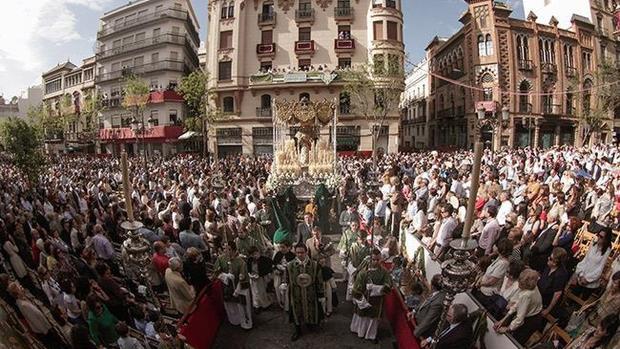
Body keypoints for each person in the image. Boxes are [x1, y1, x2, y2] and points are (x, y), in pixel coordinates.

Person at [350, 248, 392, 342]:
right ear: (370, 259)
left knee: (372, 319)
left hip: (376, 301)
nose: (376, 262)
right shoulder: (363, 273)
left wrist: (376, 288)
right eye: (374, 260)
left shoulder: (384, 272)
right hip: (364, 299)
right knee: (363, 317)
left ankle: (371, 335)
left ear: (380, 258)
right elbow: (356, 289)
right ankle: (360, 331)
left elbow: (388, 285)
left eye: (378, 259)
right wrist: (362, 297)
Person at [8, 282, 66, 348]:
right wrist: (46, 331)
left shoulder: (23, 299)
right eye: (19, 287)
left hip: (45, 329)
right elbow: (35, 321)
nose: (21, 287)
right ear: (17, 293)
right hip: (44, 332)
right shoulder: (23, 305)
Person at [286, 243, 324, 341]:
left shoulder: (314, 265)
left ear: (306, 252)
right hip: (295, 294)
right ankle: (297, 330)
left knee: (311, 309)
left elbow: (319, 280)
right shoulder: (289, 265)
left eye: (302, 252)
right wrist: (284, 285)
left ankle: (310, 324)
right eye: (297, 252)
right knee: (296, 310)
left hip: (311, 293)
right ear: (295, 252)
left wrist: (321, 294)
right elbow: (286, 278)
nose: (300, 255)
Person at [494, 268, 543, 345]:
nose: (519, 285)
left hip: (532, 320)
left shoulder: (527, 294)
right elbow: (517, 304)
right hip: (530, 313)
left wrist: (508, 328)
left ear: (527, 285)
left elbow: (520, 318)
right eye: (519, 282)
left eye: (521, 284)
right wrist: (503, 320)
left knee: (516, 340)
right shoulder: (529, 286)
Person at [213, 241, 252, 330]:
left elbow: (244, 277)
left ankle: (244, 322)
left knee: (241, 307)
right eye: (224, 249)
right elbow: (216, 271)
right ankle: (234, 320)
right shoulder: (221, 259)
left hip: (238, 289)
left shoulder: (240, 262)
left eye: (229, 249)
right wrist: (224, 276)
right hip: (227, 288)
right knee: (230, 306)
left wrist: (238, 289)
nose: (226, 251)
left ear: (234, 250)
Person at [571, 227, 613, 299]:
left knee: (581, 301)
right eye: (598, 235)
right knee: (572, 297)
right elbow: (585, 260)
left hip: (591, 282)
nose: (599, 238)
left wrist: (587, 279)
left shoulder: (607, 251)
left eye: (601, 237)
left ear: (606, 239)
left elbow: (600, 268)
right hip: (581, 277)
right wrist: (580, 274)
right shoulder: (593, 245)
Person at [537, 247, 569, 320]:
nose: (548, 259)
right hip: (539, 297)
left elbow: (557, 294)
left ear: (555, 262)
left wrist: (548, 310)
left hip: (546, 302)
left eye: (550, 259)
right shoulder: (549, 266)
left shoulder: (561, 274)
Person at [413, 274, 446, 339]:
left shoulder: (438, 302)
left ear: (433, 286)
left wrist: (416, 332)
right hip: (417, 321)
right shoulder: (435, 293)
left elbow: (428, 320)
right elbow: (425, 301)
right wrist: (414, 311)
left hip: (422, 330)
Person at [247, 245, 273, 311]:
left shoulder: (264, 259)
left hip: (261, 278)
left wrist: (260, 274)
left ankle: (265, 304)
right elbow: (248, 269)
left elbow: (268, 268)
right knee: (254, 292)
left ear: (258, 252)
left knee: (261, 292)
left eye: (255, 254)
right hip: (253, 278)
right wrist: (250, 274)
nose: (254, 256)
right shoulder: (250, 260)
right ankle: (257, 305)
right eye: (252, 255)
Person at [272, 241, 295, 309]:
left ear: (288, 248)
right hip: (278, 273)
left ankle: (287, 305)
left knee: (287, 289)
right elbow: (274, 263)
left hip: (288, 275)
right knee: (276, 286)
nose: (281, 249)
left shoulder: (292, 255)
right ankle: (280, 302)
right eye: (280, 247)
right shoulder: (278, 254)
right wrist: (277, 267)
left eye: (283, 247)